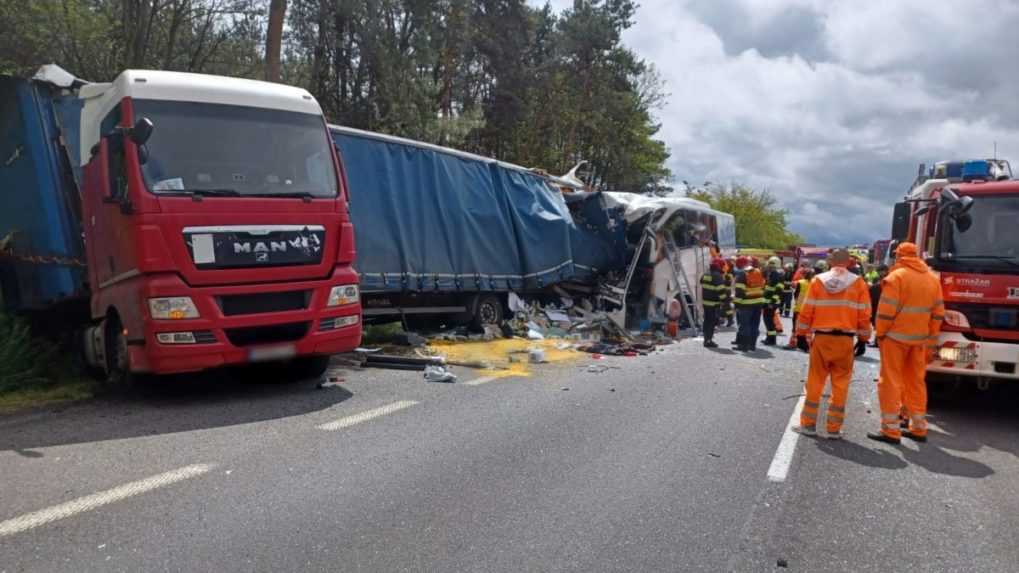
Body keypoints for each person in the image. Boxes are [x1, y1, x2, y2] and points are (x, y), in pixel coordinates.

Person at [869, 243, 945, 445]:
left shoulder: (896, 277)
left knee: (891, 381)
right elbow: (938, 313)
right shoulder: (932, 279)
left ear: (899, 256)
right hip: (919, 339)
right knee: (916, 382)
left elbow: (885, 311)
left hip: (895, 338)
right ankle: (919, 428)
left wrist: (880, 333)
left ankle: (891, 430)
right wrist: (931, 339)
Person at [792, 249, 872, 439]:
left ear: (830, 261)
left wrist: (801, 335)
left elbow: (806, 310)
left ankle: (808, 425)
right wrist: (863, 339)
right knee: (841, 384)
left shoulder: (818, 281)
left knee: (815, 381)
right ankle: (834, 429)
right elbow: (864, 315)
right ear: (849, 263)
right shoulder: (858, 283)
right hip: (845, 341)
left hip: (822, 339)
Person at [733, 256, 767, 352]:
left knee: (745, 325)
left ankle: (743, 346)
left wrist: (736, 304)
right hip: (758, 302)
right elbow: (763, 286)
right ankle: (752, 345)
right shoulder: (758, 272)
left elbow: (739, 291)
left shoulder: (742, 274)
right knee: (754, 325)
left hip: (746, 304)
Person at [700, 258, 728, 348]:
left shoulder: (705, 274)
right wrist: (725, 301)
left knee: (707, 320)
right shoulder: (717, 276)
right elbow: (721, 291)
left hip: (705, 302)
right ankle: (709, 340)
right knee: (711, 322)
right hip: (713, 303)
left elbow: (701, 282)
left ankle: (706, 339)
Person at [784, 268, 814, 349]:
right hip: (810, 310)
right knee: (808, 328)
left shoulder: (800, 282)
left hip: (799, 308)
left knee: (795, 327)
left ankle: (793, 343)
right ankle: (808, 346)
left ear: (804, 275)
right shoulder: (815, 283)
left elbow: (796, 295)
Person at [761, 257, 786, 346]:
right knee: (768, 321)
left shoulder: (776, 275)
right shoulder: (773, 274)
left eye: (770, 265)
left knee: (769, 321)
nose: (768, 267)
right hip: (768, 302)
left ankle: (771, 340)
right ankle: (769, 338)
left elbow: (778, 290)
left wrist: (772, 302)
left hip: (770, 303)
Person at [868, 264, 890, 346]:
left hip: (881, 302)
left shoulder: (889, 278)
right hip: (877, 302)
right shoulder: (878, 279)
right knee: (877, 323)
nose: (879, 274)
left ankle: (878, 341)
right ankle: (877, 340)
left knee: (879, 322)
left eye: (880, 272)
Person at [722, 258, 736, 327]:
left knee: (726, 306)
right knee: (726, 306)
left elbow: (728, 282)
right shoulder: (727, 271)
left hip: (727, 292)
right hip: (726, 291)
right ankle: (729, 319)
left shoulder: (730, 273)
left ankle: (730, 320)